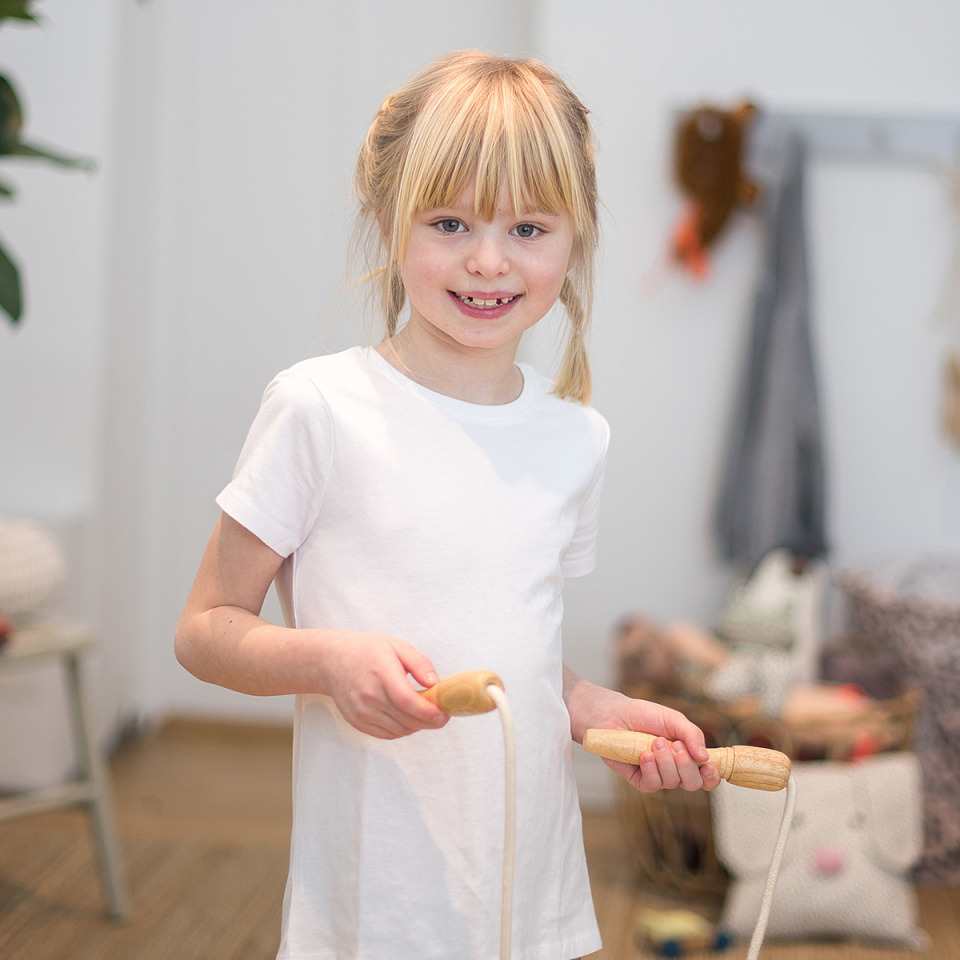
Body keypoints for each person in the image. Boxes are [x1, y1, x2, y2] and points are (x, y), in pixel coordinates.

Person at [175, 49, 720, 960]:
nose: (487, 260)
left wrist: (591, 707)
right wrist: (329, 662)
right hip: (376, 903)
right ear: (388, 221)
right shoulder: (319, 410)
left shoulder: (575, 438)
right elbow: (204, 629)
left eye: (529, 227)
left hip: (528, 897)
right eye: (450, 221)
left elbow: (510, 647)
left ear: (576, 237)